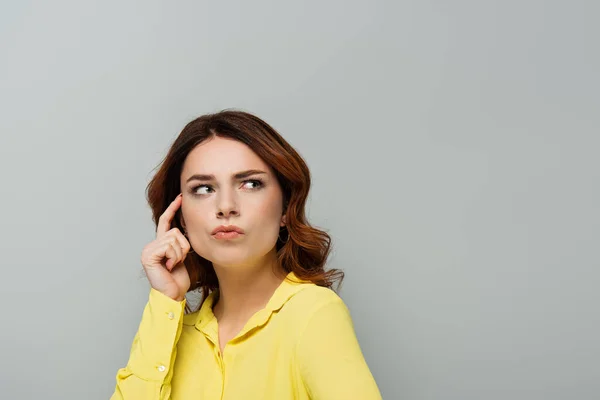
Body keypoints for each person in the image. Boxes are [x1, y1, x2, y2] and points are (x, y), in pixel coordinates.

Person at [110, 110, 382, 399]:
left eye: (251, 184)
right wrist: (167, 298)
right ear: (181, 218)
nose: (226, 206)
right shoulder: (173, 334)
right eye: (203, 188)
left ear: (286, 208)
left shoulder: (312, 314)